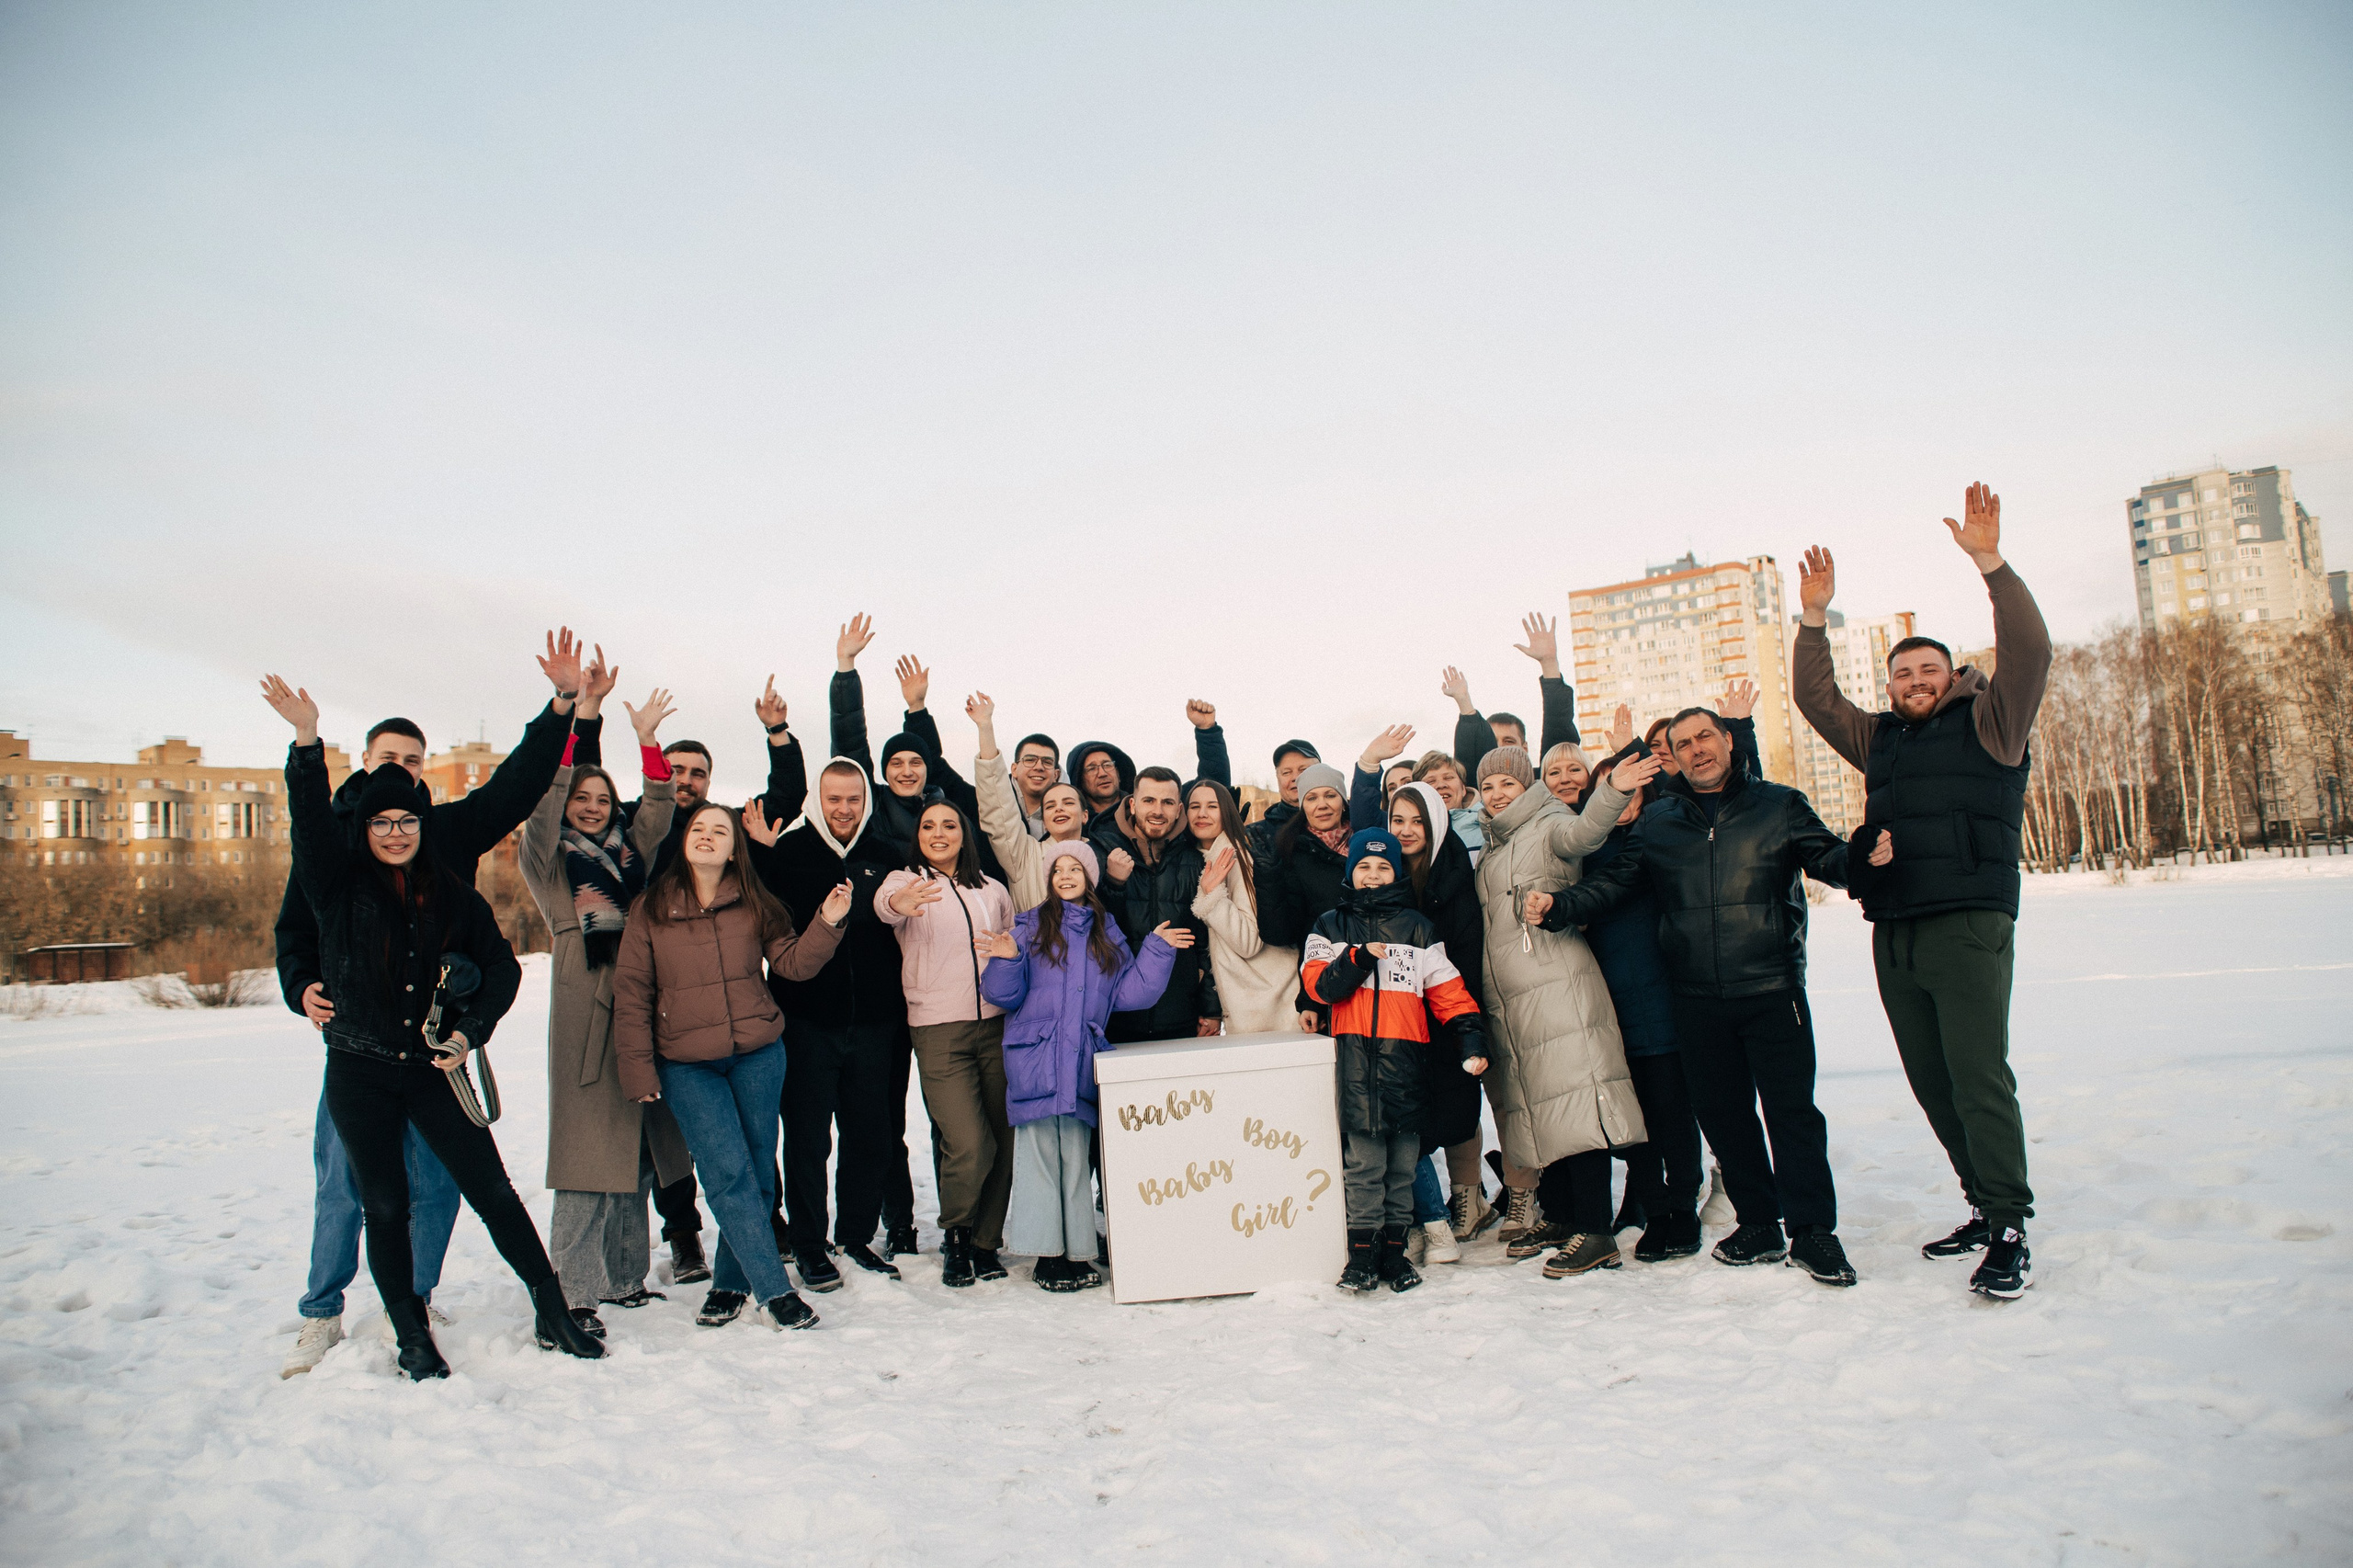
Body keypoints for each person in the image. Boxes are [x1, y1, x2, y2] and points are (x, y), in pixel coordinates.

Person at [263, 675, 603, 1379]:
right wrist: (304, 741)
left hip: (429, 1061)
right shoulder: (333, 863)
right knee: (357, 1193)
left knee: (472, 1188)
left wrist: (468, 1029)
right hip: (357, 1060)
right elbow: (297, 911)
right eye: (386, 764)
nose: (396, 821)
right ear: (364, 766)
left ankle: (474, 1307)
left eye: (412, 769)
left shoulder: (444, 862)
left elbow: (514, 788)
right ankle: (328, 1314)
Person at [1529, 708, 1894, 1289]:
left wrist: (1864, 854)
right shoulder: (1661, 822)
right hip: (1696, 998)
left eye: (1705, 737)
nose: (1697, 749)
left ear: (1728, 741)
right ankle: (1759, 1224)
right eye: (1684, 742)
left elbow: (1831, 860)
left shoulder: (1780, 805)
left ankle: (1813, 1233)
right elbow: (1616, 882)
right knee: (1726, 1119)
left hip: (1772, 990)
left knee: (1792, 1115)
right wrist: (1560, 906)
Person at [1792, 483, 2052, 1301]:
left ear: (1953, 675)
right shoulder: (1884, 741)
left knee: (1977, 1073)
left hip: (1968, 920)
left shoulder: (1992, 722)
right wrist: (1813, 620)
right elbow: (1815, 699)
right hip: (1897, 925)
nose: (1913, 680)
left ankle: (2009, 1223)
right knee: (1932, 1079)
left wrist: (1990, 564)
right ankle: (1981, 1202)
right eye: (1902, 672)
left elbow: (2032, 651)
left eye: (1928, 668)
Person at [615, 802, 851, 1331]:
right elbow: (632, 994)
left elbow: (792, 964)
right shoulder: (651, 908)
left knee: (759, 1175)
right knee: (728, 1174)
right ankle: (775, 1291)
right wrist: (638, 1070)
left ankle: (728, 1282)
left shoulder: (755, 902)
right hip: (687, 1063)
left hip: (758, 1055)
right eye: (699, 828)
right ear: (685, 841)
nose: (707, 836)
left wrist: (827, 923)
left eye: (719, 830)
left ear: (732, 847)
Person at [518, 685, 699, 1336]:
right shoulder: (548, 858)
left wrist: (649, 741)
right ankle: (570, 1294)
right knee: (586, 1149)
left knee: (635, 1147)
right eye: (582, 800)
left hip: (637, 995)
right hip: (583, 998)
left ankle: (625, 1279)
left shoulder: (629, 856)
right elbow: (541, 809)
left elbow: (656, 809)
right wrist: (570, 729)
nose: (593, 809)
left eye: (601, 799)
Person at [1472, 744, 1658, 1278]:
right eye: (1487, 786)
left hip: (1557, 982)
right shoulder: (1493, 845)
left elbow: (1586, 834)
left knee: (1575, 1103)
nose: (1497, 794)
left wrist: (1614, 789)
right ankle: (1562, 1215)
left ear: (1527, 784)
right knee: (1538, 1106)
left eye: (1507, 783)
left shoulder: (1551, 820)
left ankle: (1596, 1230)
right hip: (1514, 994)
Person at [745, 758, 928, 1284]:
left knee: (869, 1134)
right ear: (817, 802)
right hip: (803, 1021)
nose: (844, 809)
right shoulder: (789, 854)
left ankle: (855, 1236)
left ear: (865, 802)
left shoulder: (887, 856)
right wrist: (760, 851)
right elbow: (757, 913)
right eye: (834, 799)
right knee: (806, 1138)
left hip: (876, 1022)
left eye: (853, 799)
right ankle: (808, 1241)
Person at [979, 842, 1187, 1290]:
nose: (1067, 875)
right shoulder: (1028, 927)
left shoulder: (1104, 930)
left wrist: (1156, 949)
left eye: (1076, 869)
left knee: (1074, 1161)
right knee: (1040, 1162)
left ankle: (1075, 1254)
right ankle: (1046, 1257)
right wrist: (1005, 958)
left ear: (1090, 879)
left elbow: (1130, 994)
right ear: (1049, 879)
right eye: (1059, 869)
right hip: (1036, 1058)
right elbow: (1003, 996)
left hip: (1079, 1063)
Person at [1302, 829, 1486, 1294]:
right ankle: (1361, 1255)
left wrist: (1471, 1040)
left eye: (1383, 867)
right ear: (1351, 872)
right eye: (1364, 866)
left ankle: (1395, 1253)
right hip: (1356, 1068)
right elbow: (1320, 987)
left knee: (1403, 1167)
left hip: (1406, 1063)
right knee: (1363, 1167)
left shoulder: (1418, 927)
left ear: (1397, 874)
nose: (1373, 875)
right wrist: (1359, 958)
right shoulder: (1329, 925)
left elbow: (1449, 992)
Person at [1566, 762, 1707, 1262]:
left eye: (1632, 790)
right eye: (1612, 789)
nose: (1623, 799)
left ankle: (1684, 1209)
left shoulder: (1656, 842)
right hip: (1610, 1008)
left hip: (1663, 998)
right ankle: (1656, 1209)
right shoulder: (1587, 854)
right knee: (1635, 1120)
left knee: (1672, 1113)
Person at [877, 801, 1019, 1287]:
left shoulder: (993, 890)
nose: (939, 834)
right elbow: (885, 907)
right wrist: (901, 904)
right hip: (939, 1030)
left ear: (964, 834)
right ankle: (957, 1232)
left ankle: (985, 1243)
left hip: (997, 1026)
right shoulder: (905, 881)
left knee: (1004, 1139)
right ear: (917, 835)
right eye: (928, 826)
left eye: (949, 825)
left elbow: (1011, 943)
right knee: (968, 1141)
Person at [569, 670, 811, 880]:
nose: (686, 781)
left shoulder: (731, 824)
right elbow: (586, 780)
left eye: (698, 774)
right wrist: (590, 705)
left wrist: (777, 730)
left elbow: (788, 797)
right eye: (677, 771)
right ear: (660, 772)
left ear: (708, 782)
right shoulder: (630, 819)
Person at [1382, 781, 1484, 1262]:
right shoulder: (1385, 875)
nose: (1406, 831)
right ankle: (1418, 1218)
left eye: (1417, 821)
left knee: (1452, 1114)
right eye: (1397, 820)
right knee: (1405, 1120)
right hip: (1398, 1020)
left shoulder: (1455, 870)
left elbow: (1464, 954)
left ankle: (1462, 1200)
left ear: (1436, 823)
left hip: (1446, 1013)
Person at [1087, 766, 1221, 1041]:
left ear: (1179, 809)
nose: (1158, 810)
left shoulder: (1195, 861)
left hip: (1180, 1017)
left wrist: (1211, 1008)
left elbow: (1209, 943)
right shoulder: (1100, 850)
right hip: (1115, 1017)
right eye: (1149, 801)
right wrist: (1113, 884)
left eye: (1167, 802)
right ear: (1133, 805)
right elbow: (1090, 931)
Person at [1184, 778, 1300, 1035]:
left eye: (1212, 806)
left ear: (1227, 811)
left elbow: (1248, 941)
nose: (1202, 813)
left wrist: (1211, 897)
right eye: (1194, 806)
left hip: (1268, 1005)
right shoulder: (1206, 856)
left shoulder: (1236, 856)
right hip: (1252, 1004)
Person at [1251, 762, 1354, 1026]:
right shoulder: (1293, 853)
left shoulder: (1365, 846)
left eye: (1330, 795)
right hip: (1327, 985)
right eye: (1312, 797)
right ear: (1302, 806)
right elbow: (1284, 933)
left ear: (1344, 801)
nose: (1322, 805)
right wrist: (1269, 875)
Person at [971, 693, 1089, 910]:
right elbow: (997, 805)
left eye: (1069, 803)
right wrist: (985, 727)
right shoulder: (1024, 856)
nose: (1060, 808)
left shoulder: (1102, 855)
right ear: (1043, 817)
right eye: (1051, 806)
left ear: (1085, 814)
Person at [1247, 740, 1324, 864]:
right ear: (1278, 778)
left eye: (1303, 770)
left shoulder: (1346, 825)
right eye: (1286, 772)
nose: (1295, 778)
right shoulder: (1258, 836)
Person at [1007, 732, 1063, 839]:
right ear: (1014, 770)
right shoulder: (991, 803)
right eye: (1030, 760)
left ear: (1056, 775)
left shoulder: (1071, 815)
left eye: (1047, 762)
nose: (1039, 767)